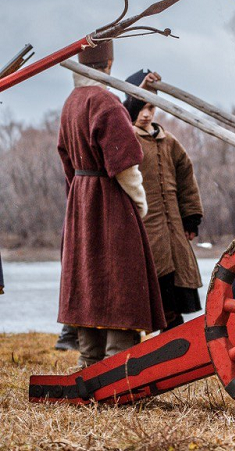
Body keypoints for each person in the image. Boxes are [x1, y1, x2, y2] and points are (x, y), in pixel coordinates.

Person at [56, 39, 166, 367]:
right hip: (109, 200)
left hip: (80, 198)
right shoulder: (106, 102)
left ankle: (88, 361)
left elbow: (66, 159)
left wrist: (78, 197)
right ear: (108, 65)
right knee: (120, 277)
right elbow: (125, 165)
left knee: (88, 278)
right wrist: (139, 202)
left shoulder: (71, 102)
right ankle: (118, 363)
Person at [123, 70, 205, 330]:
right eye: (141, 107)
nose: (146, 114)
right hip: (146, 227)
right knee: (155, 284)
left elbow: (186, 179)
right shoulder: (127, 138)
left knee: (176, 286)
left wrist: (191, 217)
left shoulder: (169, 141)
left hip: (174, 231)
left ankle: (174, 334)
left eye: (151, 107)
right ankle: (163, 336)